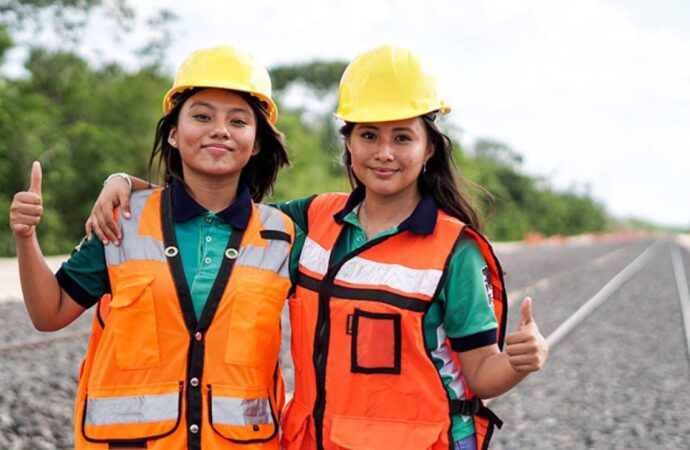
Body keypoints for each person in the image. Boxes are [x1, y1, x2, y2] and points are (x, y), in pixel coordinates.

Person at [86, 45, 548, 450]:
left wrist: (517, 363)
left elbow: (482, 372)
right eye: (369, 135)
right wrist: (126, 185)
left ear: (429, 148)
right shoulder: (310, 220)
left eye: (402, 137)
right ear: (347, 142)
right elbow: (219, 207)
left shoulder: (454, 249)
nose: (384, 152)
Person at [9, 45, 295, 450]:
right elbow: (49, 312)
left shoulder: (283, 234)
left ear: (257, 142)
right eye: (201, 115)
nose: (220, 129)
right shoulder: (122, 218)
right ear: (174, 134)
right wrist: (25, 237)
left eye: (238, 120)